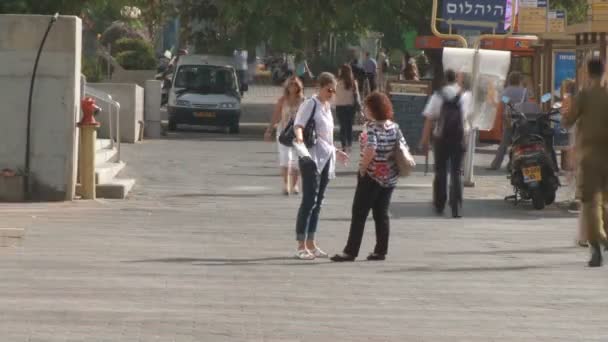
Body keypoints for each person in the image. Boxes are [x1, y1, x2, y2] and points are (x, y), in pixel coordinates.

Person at [331, 92, 406, 262]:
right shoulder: (394, 127)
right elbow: (402, 148)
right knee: (382, 213)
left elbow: (371, 149)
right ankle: (381, 250)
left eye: (367, 106)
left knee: (359, 213)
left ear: (373, 109)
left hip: (372, 176)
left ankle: (351, 251)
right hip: (390, 177)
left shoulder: (372, 127)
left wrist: (363, 168)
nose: (364, 109)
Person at [293, 72, 349, 260]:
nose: (332, 93)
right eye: (329, 89)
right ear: (320, 87)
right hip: (310, 158)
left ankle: (311, 242)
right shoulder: (311, 103)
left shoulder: (326, 107)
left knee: (318, 201)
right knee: (309, 200)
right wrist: (300, 140)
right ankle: (301, 245)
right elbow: (298, 125)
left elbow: (325, 136)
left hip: (326, 159)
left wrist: (337, 151)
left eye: (334, 90)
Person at [562, 58, 608, 267]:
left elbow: (568, 120)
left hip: (590, 157)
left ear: (589, 73)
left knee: (590, 203)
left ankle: (597, 245)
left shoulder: (585, 96)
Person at [419, 69, 472, 218]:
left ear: (444, 79)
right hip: (460, 137)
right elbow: (468, 116)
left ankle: (439, 203)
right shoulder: (466, 95)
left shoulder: (438, 95)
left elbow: (429, 118)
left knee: (440, 170)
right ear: (456, 78)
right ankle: (457, 208)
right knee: (456, 171)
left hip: (441, 137)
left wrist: (424, 139)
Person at [264, 76, 305, 195]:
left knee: (297, 160)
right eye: (291, 84)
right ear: (287, 87)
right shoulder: (282, 100)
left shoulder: (303, 101)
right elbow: (276, 116)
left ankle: (295, 185)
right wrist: (269, 130)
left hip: (298, 133)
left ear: (299, 87)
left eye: (296, 85)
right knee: (285, 159)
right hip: (283, 133)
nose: (293, 87)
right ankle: (286, 185)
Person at [488, 71, 528, 170]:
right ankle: (512, 164)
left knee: (504, 143)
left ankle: (495, 164)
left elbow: (503, 102)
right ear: (519, 80)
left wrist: (510, 103)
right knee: (518, 142)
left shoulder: (506, 91)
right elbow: (526, 104)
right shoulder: (524, 91)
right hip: (520, 118)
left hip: (509, 118)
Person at [335, 64, 361, 153]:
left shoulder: (337, 82)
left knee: (342, 126)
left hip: (340, 106)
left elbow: (334, 93)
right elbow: (357, 95)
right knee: (349, 126)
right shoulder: (353, 82)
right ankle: (349, 143)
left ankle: (343, 145)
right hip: (350, 106)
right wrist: (359, 107)